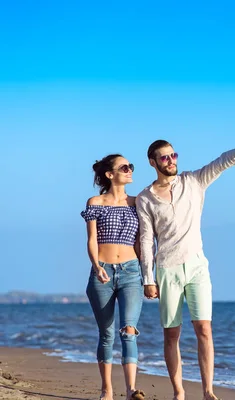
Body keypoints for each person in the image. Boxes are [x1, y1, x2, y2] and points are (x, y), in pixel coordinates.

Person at [136, 130, 235, 400]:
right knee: (172, 334)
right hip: (167, 269)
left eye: (173, 154)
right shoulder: (145, 198)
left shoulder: (193, 181)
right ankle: (179, 392)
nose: (170, 160)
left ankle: (208, 391)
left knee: (204, 329)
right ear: (153, 162)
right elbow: (146, 240)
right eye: (164, 157)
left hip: (197, 266)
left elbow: (222, 161)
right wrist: (148, 278)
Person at [81, 154, 146, 400]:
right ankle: (107, 389)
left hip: (131, 272)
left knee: (129, 330)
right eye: (125, 167)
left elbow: (142, 242)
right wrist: (97, 266)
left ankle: (131, 390)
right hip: (103, 272)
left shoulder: (138, 203)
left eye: (131, 167)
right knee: (107, 333)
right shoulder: (95, 201)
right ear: (110, 174)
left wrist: (149, 276)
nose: (130, 170)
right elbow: (91, 239)